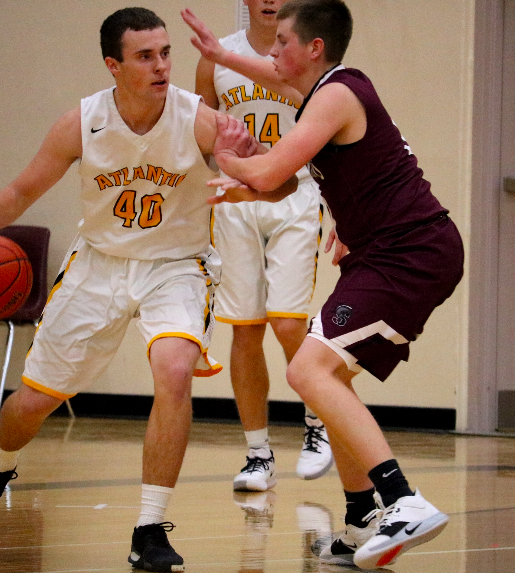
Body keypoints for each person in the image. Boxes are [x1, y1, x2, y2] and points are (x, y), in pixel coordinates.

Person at [0, 8, 293, 573]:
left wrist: (251, 163)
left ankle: (150, 527)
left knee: (174, 370)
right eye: (145, 56)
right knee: (31, 405)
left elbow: (282, 187)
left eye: (165, 53)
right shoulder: (80, 122)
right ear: (114, 65)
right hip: (100, 266)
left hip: (177, 267)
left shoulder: (199, 119)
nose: (161, 65)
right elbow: (21, 189)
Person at [184, 0, 464, 568]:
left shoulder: (336, 93)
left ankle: (403, 500)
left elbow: (267, 172)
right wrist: (217, 56)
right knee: (324, 374)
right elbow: (280, 182)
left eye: (282, 41)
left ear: (314, 49)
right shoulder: (320, 93)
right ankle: (362, 517)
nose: (270, 52)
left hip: (410, 254)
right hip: (380, 255)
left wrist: (227, 156)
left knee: (306, 369)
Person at [191, 0, 332, 492]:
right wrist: (218, 167)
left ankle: (319, 421)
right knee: (245, 330)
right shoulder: (215, 57)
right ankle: (257, 453)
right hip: (237, 198)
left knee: (288, 320)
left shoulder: (304, 59)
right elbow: (203, 133)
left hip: (296, 192)